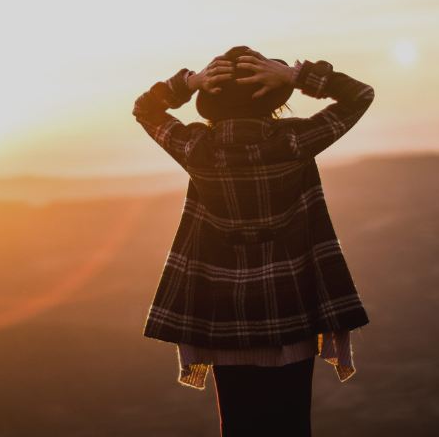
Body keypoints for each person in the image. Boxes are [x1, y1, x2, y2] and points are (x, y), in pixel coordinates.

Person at [132, 45, 375, 437]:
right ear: (273, 99)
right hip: (291, 306)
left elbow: (145, 108)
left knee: (239, 425)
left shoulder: (199, 148)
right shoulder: (294, 142)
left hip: (224, 314)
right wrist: (297, 77)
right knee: (293, 422)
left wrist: (188, 83)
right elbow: (361, 95)